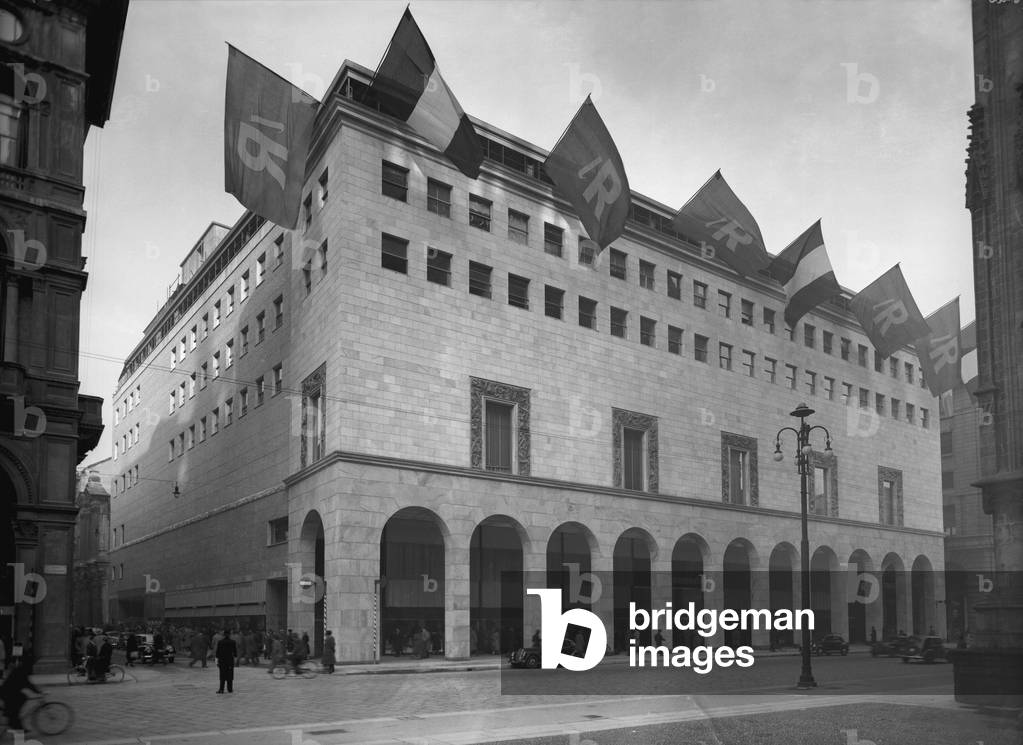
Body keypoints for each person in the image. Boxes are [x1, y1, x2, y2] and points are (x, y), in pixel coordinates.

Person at [0, 654, 40, 732]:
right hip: (7, 693)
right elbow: (28, 684)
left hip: (7, 691)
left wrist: (37, 692)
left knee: (21, 698)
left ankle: (10, 716)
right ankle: (14, 723)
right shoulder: (21, 671)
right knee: (18, 702)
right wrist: (38, 692)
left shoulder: (20, 669)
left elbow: (27, 684)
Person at [215, 629, 238, 694]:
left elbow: (217, 652)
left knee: (222, 675)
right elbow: (235, 653)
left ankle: (221, 689)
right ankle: (230, 689)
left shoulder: (220, 642)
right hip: (230, 661)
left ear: (224, 635)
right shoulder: (233, 642)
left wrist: (217, 660)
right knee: (230, 675)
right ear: (230, 634)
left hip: (222, 661)